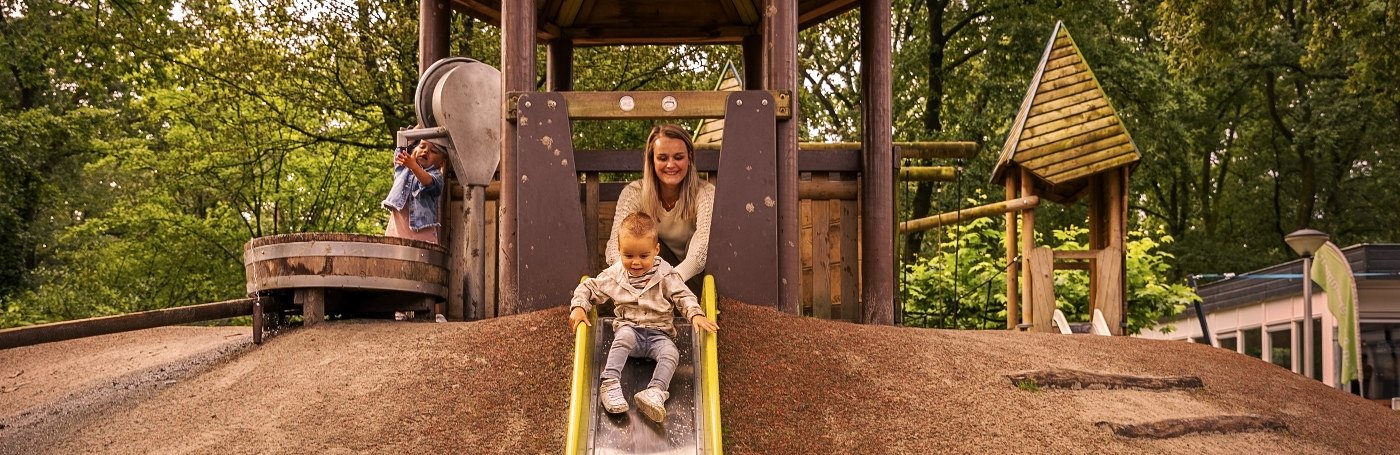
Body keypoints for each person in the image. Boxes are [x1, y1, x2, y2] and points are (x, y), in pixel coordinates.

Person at [569, 212, 719, 423]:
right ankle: (610, 382)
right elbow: (589, 287)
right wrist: (579, 307)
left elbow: (682, 295)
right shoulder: (615, 275)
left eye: (643, 256)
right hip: (630, 330)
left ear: (656, 251)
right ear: (619, 251)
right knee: (623, 338)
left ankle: (655, 392)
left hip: (659, 335)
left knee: (671, 353)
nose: (636, 262)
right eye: (628, 256)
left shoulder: (666, 274)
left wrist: (695, 314)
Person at [606, 124, 716, 285]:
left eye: (678, 157)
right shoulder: (634, 193)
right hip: (644, 280)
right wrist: (630, 278)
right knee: (645, 241)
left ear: (689, 157)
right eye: (663, 158)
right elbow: (615, 245)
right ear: (652, 160)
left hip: (692, 279)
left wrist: (671, 279)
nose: (671, 165)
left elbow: (703, 246)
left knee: (698, 241)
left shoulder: (705, 192)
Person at [382, 136, 450, 322]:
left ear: (441, 162)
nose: (425, 151)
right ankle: (400, 307)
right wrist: (424, 121)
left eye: (433, 151)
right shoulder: (402, 168)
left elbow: (428, 182)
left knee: (428, 268)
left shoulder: (436, 177)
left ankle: (434, 311)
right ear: (412, 151)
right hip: (398, 227)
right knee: (397, 266)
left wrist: (414, 166)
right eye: (421, 146)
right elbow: (402, 141)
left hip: (422, 229)